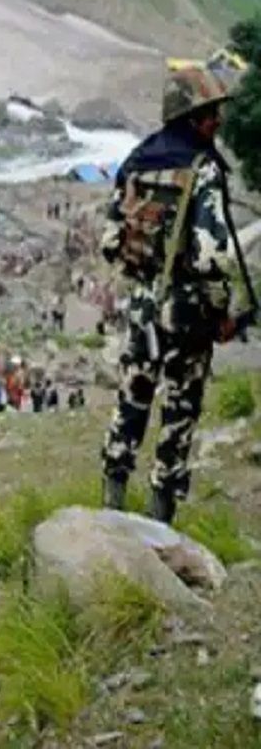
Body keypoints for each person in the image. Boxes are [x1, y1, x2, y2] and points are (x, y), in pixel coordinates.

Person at [99, 66, 252, 523]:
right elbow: (214, 255)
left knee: (133, 395)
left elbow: (110, 242)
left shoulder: (137, 160)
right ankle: (160, 514)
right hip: (188, 311)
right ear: (190, 118)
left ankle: (112, 498)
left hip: (144, 304)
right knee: (180, 407)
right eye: (209, 114)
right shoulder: (202, 169)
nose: (217, 122)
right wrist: (227, 310)